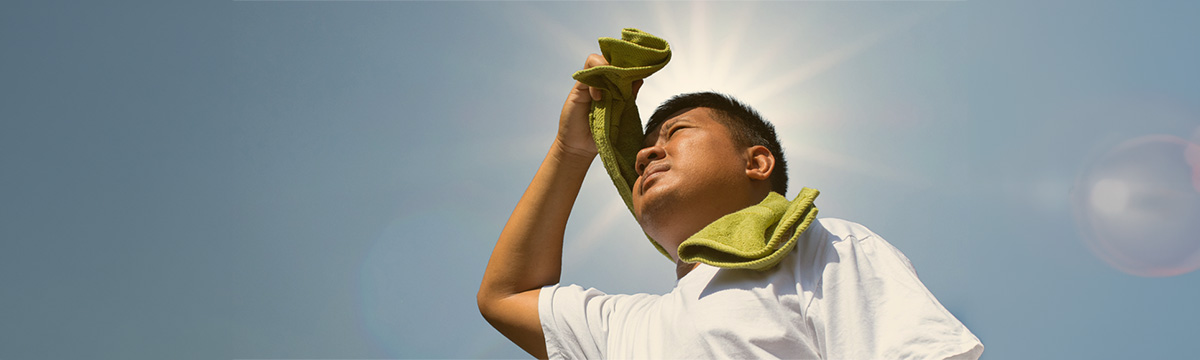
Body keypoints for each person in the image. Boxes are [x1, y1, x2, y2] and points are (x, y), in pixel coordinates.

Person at [477, 53, 984, 359]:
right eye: (641, 151)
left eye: (676, 133)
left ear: (757, 163)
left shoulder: (819, 249)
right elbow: (505, 295)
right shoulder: (627, 328)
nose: (649, 152)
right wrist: (571, 150)